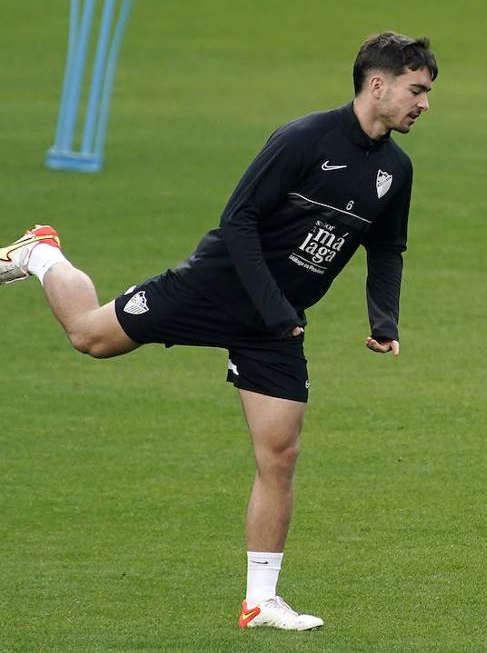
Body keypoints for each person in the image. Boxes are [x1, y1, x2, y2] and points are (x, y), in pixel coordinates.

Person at [1, 31, 436, 631]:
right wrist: (275, 307)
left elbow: (387, 246)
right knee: (89, 337)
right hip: (216, 287)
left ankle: (260, 600)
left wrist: (382, 320)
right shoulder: (305, 139)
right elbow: (239, 221)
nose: (424, 103)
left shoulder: (397, 169)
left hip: (274, 329)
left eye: (428, 92)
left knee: (280, 453)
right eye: (416, 90)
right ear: (378, 84)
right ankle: (41, 255)